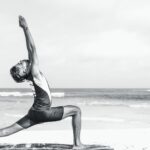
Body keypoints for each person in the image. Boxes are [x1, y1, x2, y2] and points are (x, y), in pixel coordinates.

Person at [0, 16, 83, 149]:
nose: (21, 61)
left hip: (33, 113)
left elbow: (29, 51)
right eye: (20, 64)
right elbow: (32, 49)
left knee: (7, 130)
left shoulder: (30, 75)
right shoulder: (34, 72)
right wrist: (25, 28)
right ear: (23, 72)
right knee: (76, 111)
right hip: (43, 112)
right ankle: (78, 144)